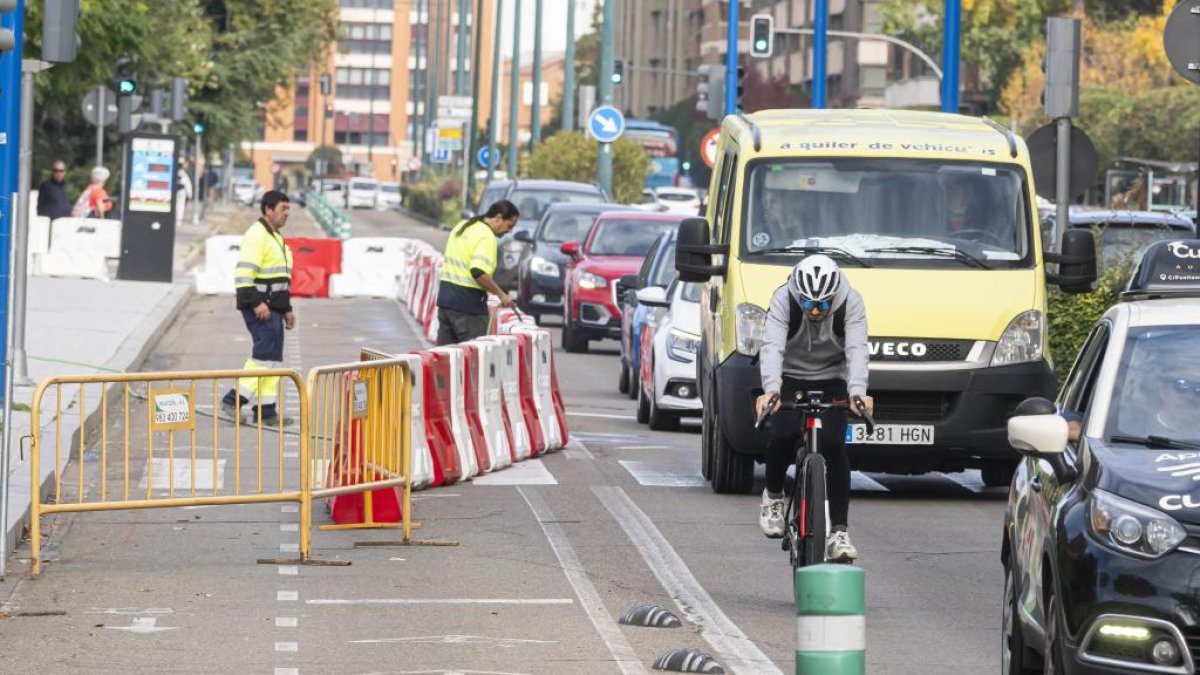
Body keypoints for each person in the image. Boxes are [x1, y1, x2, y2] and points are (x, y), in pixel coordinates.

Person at [755, 255, 874, 562]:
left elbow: (858, 349)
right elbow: (772, 347)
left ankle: (838, 533)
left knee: (835, 444)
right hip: (790, 377)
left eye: (824, 304)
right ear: (799, 296)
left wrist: (857, 392)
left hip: (832, 377)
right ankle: (774, 497)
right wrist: (771, 390)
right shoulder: (783, 299)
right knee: (782, 434)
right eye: (810, 305)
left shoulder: (852, 301)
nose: (818, 311)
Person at [220, 191, 295, 425]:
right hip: (260, 306)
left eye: (287, 208)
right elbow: (244, 276)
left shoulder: (275, 238)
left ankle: (266, 411)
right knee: (263, 357)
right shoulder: (257, 235)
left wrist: (286, 309)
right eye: (283, 208)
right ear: (268, 210)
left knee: (273, 359)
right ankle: (233, 400)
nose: (287, 213)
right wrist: (256, 302)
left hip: (273, 307)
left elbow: (279, 280)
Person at [436, 200, 520, 345]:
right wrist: (501, 295)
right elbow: (478, 271)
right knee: (474, 360)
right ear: (498, 217)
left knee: (447, 359)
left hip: (446, 302)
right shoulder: (487, 237)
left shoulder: (462, 226)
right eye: (509, 225)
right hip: (468, 308)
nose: (509, 231)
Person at [176, 159, 193, 228]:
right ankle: (178, 220)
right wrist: (189, 195)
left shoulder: (173, 172)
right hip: (181, 192)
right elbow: (188, 186)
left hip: (176, 192)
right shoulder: (184, 174)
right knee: (180, 206)